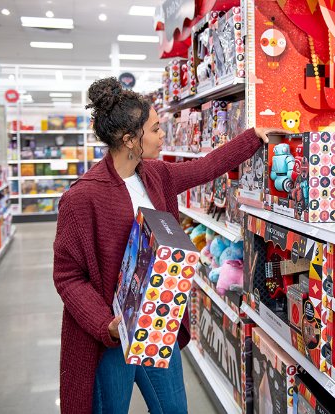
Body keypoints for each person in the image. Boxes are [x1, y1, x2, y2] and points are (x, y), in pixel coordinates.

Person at [53, 77, 278, 414]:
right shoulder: (81, 197)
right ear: (129, 139)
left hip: (159, 324)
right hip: (111, 339)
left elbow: (206, 168)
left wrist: (253, 137)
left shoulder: (156, 175)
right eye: (156, 129)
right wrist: (106, 325)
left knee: (173, 408)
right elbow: (68, 277)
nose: (163, 136)